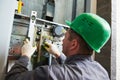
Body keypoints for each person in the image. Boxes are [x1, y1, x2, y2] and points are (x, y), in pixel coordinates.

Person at [5, 13, 111, 80]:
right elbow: (76, 70)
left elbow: (12, 78)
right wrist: (58, 55)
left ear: (74, 44)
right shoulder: (101, 71)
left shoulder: (51, 74)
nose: (62, 39)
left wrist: (25, 56)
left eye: (65, 35)